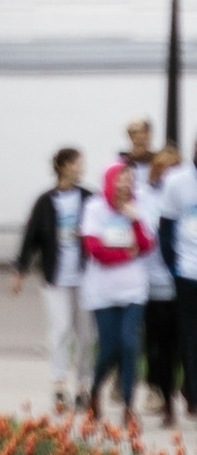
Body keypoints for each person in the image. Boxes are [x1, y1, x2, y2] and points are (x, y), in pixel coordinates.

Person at [14, 149, 91, 412]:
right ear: (64, 166)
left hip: (85, 276)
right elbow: (31, 237)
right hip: (55, 276)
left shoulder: (88, 197)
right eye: (77, 163)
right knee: (60, 329)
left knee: (85, 333)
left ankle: (83, 385)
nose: (81, 168)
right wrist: (19, 270)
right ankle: (59, 384)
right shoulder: (45, 202)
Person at [81, 152, 153, 421]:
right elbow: (94, 249)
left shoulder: (137, 206)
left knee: (130, 342)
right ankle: (95, 389)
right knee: (109, 346)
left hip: (134, 290)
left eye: (130, 180)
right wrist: (126, 254)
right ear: (110, 181)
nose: (126, 185)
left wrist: (134, 219)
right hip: (102, 292)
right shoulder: (94, 208)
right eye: (121, 180)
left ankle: (128, 404)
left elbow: (146, 245)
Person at [152, 139, 197, 426]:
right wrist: (173, 266)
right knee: (189, 335)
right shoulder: (176, 182)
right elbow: (165, 228)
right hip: (187, 271)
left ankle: (190, 388)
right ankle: (192, 394)